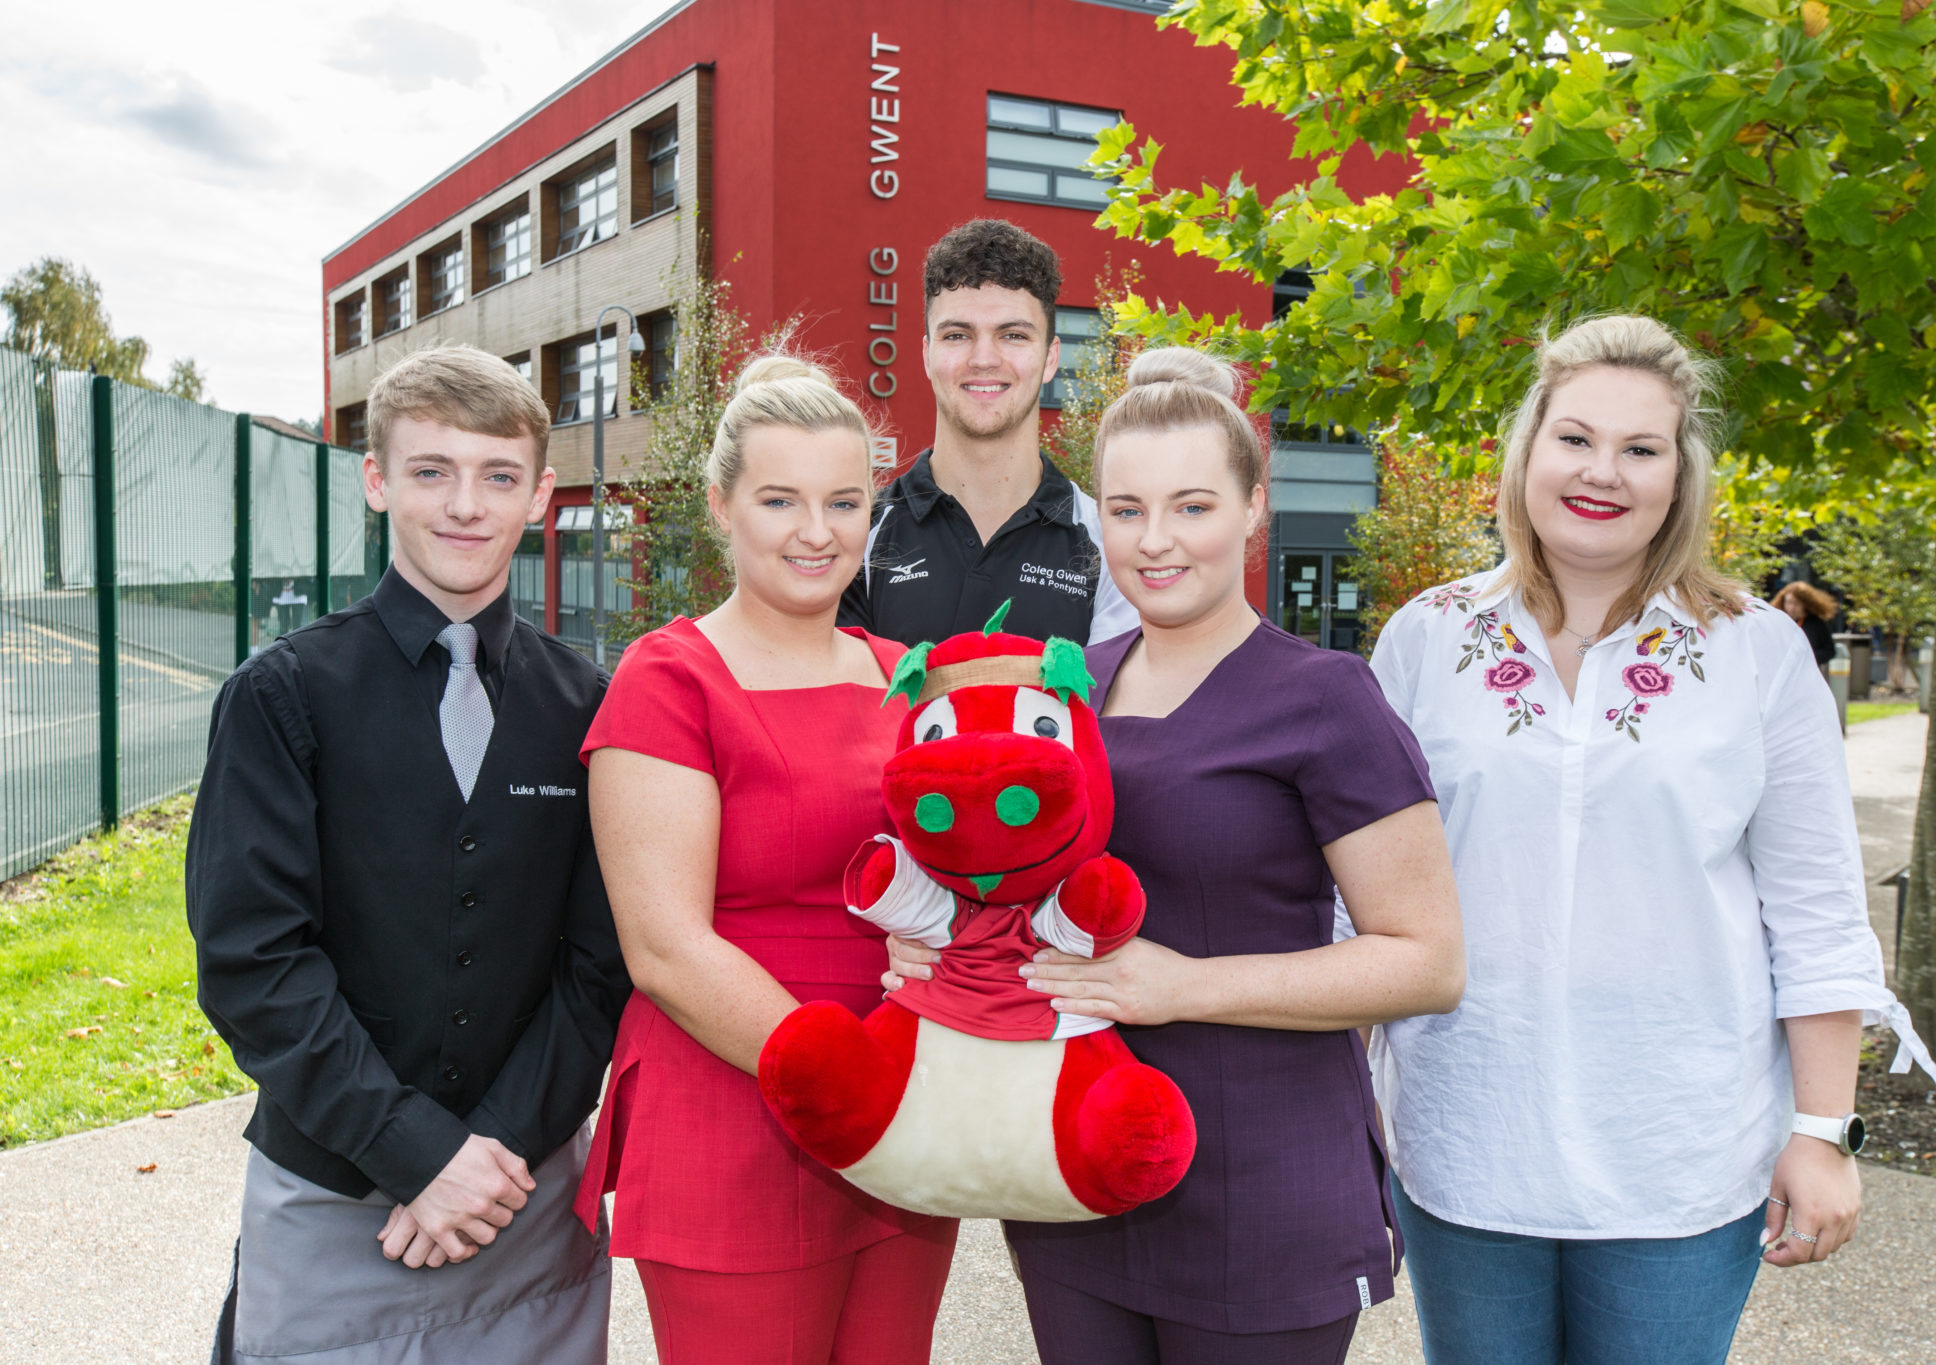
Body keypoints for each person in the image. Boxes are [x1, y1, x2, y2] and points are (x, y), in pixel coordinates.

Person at [1367, 316, 1936, 1365]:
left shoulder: (1757, 654)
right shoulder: (1423, 638)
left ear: (1680, 476)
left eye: (1640, 449)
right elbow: (1361, 897)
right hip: (1464, 1142)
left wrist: (1822, 1133)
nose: (1601, 473)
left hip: (1680, 1155)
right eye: (1574, 439)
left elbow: (1814, 907)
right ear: (1524, 450)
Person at [888, 348, 1466, 1364]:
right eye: (1124, 510)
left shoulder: (1324, 699)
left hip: (1262, 1183)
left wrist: (1184, 986)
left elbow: (1425, 961)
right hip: (1076, 1171)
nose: (1154, 543)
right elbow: (1004, 887)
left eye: (1191, 508)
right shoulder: (1063, 690)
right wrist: (929, 955)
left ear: (1251, 507)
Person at [187, 345, 628, 1363]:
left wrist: (495, 1155)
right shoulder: (282, 695)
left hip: (527, 1197)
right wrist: (418, 1155)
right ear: (377, 480)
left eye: (498, 476)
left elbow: (599, 962)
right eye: (431, 472)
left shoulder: (591, 706)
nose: (465, 505)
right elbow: (255, 961)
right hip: (335, 1188)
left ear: (541, 495)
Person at [573, 355, 958, 1365]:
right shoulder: (669, 679)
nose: (816, 530)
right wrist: (846, 1080)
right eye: (779, 498)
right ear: (722, 506)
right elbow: (663, 946)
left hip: (895, 1109)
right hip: (733, 1096)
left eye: (842, 501)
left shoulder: (897, 678)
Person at [838, 218, 1137, 647]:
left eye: (1013, 335)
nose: (983, 359)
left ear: (1051, 357)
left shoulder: (1108, 545)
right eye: (957, 335)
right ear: (927, 354)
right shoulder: (859, 535)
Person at [1770, 580, 1838, 674]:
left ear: (1805, 605)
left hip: (1807, 673)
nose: (1792, 608)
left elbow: (1829, 651)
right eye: (1789, 603)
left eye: (1796, 604)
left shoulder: (1816, 624)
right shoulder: (1778, 621)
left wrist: (1807, 658)